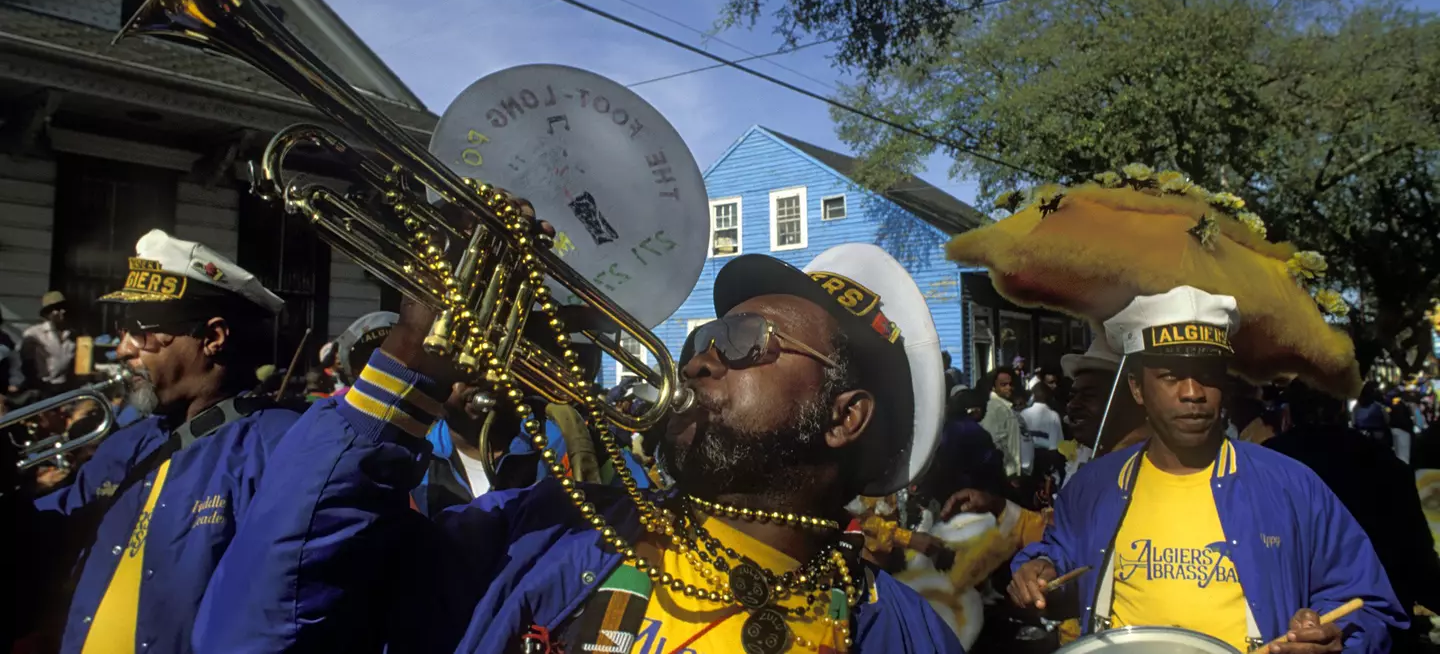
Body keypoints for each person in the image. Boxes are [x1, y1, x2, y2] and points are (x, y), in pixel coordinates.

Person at [197, 239, 960, 652]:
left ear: (844, 418)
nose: (697, 358)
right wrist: (410, 361)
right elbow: (269, 621)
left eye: (742, 339)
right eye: (700, 336)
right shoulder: (551, 536)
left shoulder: (900, 631)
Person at [1009, 286, 1405, 653]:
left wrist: (1336, 637)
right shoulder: (1095, 485)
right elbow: (1058, 565)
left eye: (1208, 376)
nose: (1193, 393)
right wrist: (1037, 572)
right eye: (1170, 376)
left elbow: (1369, 604)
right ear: (1136, 388)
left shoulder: (1290, 485)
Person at [8, 229, 301, 654]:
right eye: (121, 329)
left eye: (140, 330)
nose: (122, 349)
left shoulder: (276, 446)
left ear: (213, 337)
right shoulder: (123, 446)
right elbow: (45, 541)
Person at [1267, 381, 1440, 651]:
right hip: (1378, 631)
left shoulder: (1265, 462)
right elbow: (1417, 559)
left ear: (1288, 415)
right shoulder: (1385, 463)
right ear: (1342, 410)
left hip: (1292, 631)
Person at [21, 291, 76, 393]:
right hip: (42, 386)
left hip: (64, 387)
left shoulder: (72, 335)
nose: (62, 311)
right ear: (47, 313)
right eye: (57, 309)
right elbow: (26, 364)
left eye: (64, 308)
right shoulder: (34, 334)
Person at [978, 367, 1023, 478]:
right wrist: (1011, 473)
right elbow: (993, 441)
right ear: (994, 387)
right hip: (1004, 474)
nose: (1009, 388)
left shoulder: (1005, 406)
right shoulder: (994, 408)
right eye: (1003, 385)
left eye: (1010, 384)